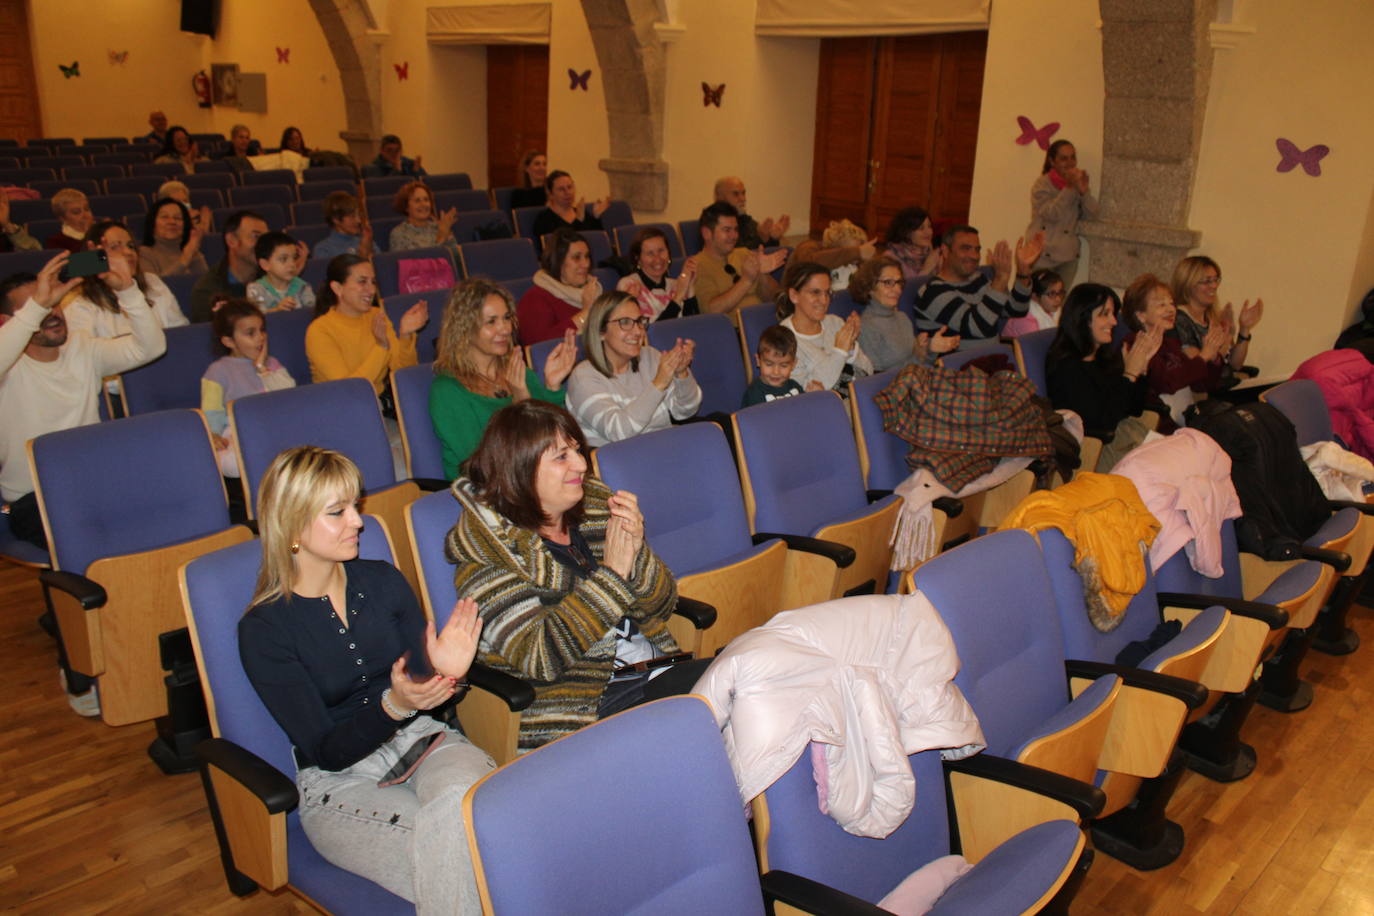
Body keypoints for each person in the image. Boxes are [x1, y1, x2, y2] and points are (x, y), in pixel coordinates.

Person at [238, 445, 493, 911]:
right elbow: (327, 752)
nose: (358, 521)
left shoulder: (382, 581)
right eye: (337, 512)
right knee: (476, 850)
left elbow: (427, 695)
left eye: (355, 506)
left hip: (424, 740)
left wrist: (446, 675)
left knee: (482, 825)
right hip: (341, 779)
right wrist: (395, 704)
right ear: (291, 524)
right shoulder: (265, 630)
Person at [448, 399, 706, 751]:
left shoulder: (596, 510)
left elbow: (662, 606)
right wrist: (613, 575)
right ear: (520, 469)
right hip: (580, 708)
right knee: (730, 698)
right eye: (561, 456)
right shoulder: (487, 557)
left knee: (757, 670)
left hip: (651, 669)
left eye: (577, 450)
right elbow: (540, 657)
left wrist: (636, 554)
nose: (582, 464)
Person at [0, 254, 166, 552]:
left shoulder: (82, 348)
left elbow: (151, 348)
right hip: (35, 499)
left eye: (54, 303)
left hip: (96, 481)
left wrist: (128, 290)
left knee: (163, 514)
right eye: (38, 307)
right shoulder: (8, 367)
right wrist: (36, 308)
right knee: (103, 540)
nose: (51, 313)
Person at [429, 279, 576, 479]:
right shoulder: (447, 391)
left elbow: (556, 437)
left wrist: (552, 386)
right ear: (464, 328)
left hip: (537, 479)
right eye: (491, 322)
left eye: (506, 318)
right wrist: (520, 404)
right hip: (485, 487)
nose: (505, 329)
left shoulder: (517, 371)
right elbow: (482, 466)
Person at [1046, 283, 1162, 470]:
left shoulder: (1104, 357)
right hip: (1092, 452)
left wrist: (1141, 369)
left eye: (1113, 314)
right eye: (1104, 314)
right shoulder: (1065, 366)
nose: (1114, 322)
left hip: (1119, 442)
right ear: (1083, 318)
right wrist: (1129, 375)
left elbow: (1134, 409)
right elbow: (1103, 422)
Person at [566, 290, 701, 446]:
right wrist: (658, 384)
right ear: (601, 331)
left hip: (662, 446)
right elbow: (619, 432)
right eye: (625, 322)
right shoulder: (583, 377)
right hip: (621, 457)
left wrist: (682, 374)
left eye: (639, 321)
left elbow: (685, 411)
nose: (638, 331)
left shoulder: (650, 356)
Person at [202, 299, 296, 476]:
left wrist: (262, 368)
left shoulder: (271, 364)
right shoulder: (217, 371)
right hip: (239, 433)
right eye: (250, 333)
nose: (260, 337)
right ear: (229, 341)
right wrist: (213, 435)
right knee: (231, 463)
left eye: (262, 330)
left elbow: (289, 396)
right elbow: (212, 412)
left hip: (277, 426)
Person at [1121, 273, 1226, 430]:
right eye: (1161, 305)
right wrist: (1203, 357)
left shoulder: (1171, 343)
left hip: (1187, 420)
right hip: (1157, 425)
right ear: (1141, 315)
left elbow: (1202, 386)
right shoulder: (1134, 345)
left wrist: (1213, 357)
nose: (1171, 309)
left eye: (1171, 303)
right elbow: (1166, 383)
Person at [307, 254, 426, 392]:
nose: (372, 290)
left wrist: (406, 335)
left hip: (379, 399)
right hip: (340, 402)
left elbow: (403, 371)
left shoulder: (375, 315)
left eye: (373, 282)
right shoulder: (319, 330)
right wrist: (381, 347)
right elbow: (351, 388)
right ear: (337, 288)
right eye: (362, 282)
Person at [62, 221, 188, 345]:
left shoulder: (152, 282)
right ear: (95, 256)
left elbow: (181, 334)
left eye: (131, 246)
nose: (128, 252)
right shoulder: (79, 303)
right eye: (115, 247)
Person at [915, 225, 1042, 345]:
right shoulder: (932, 291)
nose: (974, 256)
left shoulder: (978, 278)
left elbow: (1016, 310)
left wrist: (1023, 272)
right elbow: (978, 327)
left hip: (994, 357)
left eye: (977, 249)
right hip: (960, 360)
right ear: (946, 251)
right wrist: (1000, 279)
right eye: (965, 248)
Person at [851, 255, 957, 373]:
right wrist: (919, 355)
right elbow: (876, 379)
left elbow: (920, 364)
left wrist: (929, 350)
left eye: (899, 282)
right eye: (888, 282)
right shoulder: (865, 327)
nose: (897, 289)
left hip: (918, 379)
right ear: (869, 287)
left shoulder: (902, 318)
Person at [1170, 255, 1263, 387]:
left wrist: (1244, 329)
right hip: (1200, 393)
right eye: (1207, 281)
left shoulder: (1211, 318)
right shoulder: (1178, 319)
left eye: (1215, 280)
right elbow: (1201, 370)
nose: (1214, 286)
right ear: (1188, 283)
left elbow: (1235, 365)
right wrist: (1224, 343)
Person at [777, 262, 871, 392]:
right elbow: (806, 393)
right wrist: (840, 352)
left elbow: (868, 371)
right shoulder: (782, 340)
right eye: (815, 292)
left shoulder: (835, 323)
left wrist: (851, 348)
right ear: (794, 296)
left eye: (827, 293)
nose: (824, 300)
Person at [692, 202, 786, 315]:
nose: (734, 236)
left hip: (764, 320)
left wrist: (763, 275)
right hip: (733, 325)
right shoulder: (696, 265)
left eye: (736, 229)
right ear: (706, 233)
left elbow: (775, 299)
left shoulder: (744, 253)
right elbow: (711, 311)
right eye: (727, 230)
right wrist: (747, 280)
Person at [1026, 139, 1099, 284]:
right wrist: (1070, 188)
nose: (1070, 163)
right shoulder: (1042, 184)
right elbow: (1052, 214)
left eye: (1073, 157)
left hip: (1067, 258)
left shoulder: (1076, 183)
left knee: (1061, 298)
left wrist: (1084, 193)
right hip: (1041, 256)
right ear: (1052, 161)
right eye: (1064, 158)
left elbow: (1093, 214)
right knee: (1037, 297)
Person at [516, 228, 602, 345]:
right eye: (577, 257)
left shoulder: (593, 291)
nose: (586, 264)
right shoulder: (535, 298)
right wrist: (585, 313)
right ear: (558, 261)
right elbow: (538, 347)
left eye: (587, 256)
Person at [191, 210, 269, 322]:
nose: (264, 244)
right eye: (255, 236)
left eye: (265, 238)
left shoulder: (274, 276)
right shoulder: (207, 291)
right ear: (232, 241)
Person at [627, 226, 697, 320]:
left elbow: (694, 324)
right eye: (650, 253)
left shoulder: (675, 284)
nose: (657, 259)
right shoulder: (630, 285)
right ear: (638, 259)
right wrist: (678, 296)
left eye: (661, 251)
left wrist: (690, 287)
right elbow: (653, 328)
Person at [788, 219, 875, 289]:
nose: (853, 258)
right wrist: (857, 252)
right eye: (850, 250)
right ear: (834, 247)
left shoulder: (852, 265)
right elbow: (808, 264)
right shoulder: (808, 247)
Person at [138, 197, 209, 277]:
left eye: (177, 218)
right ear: (152, 223)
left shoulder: (190, 250)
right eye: (164, 217)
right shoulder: (144, 253)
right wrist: (185, 258)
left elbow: (207, 281)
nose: (172, 222)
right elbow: (154, 284)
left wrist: (193, 253)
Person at [247, 230, 314, 312]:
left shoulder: (302, 287)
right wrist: (276, 310)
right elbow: (256, 316)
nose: (292, 264)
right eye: (283, 259)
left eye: (294, 258)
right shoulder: (255, 289)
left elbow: (313, 313)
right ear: (265, 264)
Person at [713, 176, 789, 249]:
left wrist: (773, 238)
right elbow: (736, 254)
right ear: (720, 197)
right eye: (735, 194)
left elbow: (765, 250)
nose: (743, 199)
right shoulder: (712, 224)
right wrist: (761, 237)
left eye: (743, 193)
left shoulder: (745, 220)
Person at [530, 170, 607, 240]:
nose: (567, 192)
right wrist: (578, 221)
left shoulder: (583, 213)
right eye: (561, 189)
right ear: (550, 194)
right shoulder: (544, 220)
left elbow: (597, 241)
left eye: (569, 187)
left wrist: (596, 217)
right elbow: (563, 245)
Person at [742, 325, 806, 407]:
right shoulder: (754, 394)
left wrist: (813, 396)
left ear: (793, 364)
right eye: (769, 364)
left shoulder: (795, 386)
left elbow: (807, 410)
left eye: (784, 365)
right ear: (758, 361)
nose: (776, 372)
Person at [388, 181, 457, 252]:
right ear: (406, 207)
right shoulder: (399, 233)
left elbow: (456, 256)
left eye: (426, 199)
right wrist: (441, 236)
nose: (423, 204)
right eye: (417, 200)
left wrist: (448, 233)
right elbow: (420, 258)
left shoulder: (439, 227)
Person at [880, 206, 939, 281]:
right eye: (921, 228)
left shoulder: (932, 254)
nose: (928, 232)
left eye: (929, 226)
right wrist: (926, 269)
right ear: (907, 232)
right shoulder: (891, 258)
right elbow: (899, 288)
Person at [1002, 269, 1066, 337]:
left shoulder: (1055, 311)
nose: (1058, 299)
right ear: (1035, 296)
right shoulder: (1025, 319)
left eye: (1060, 292)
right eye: (1052, 294)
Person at [313, 191, 374, 262]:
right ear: (336, 219)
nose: (358, 220)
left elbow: (381, 266)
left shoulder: (366, 241)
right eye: (352, 216)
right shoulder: (323, 249)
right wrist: (364, 254)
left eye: (358, 215)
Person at [43, 189, 93, 254]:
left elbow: (103, 258)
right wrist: (88, 235)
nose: (85, 215)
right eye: (76, 212)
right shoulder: (55, 242)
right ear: (63, 218)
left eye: (87, 209)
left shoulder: (102, 233)